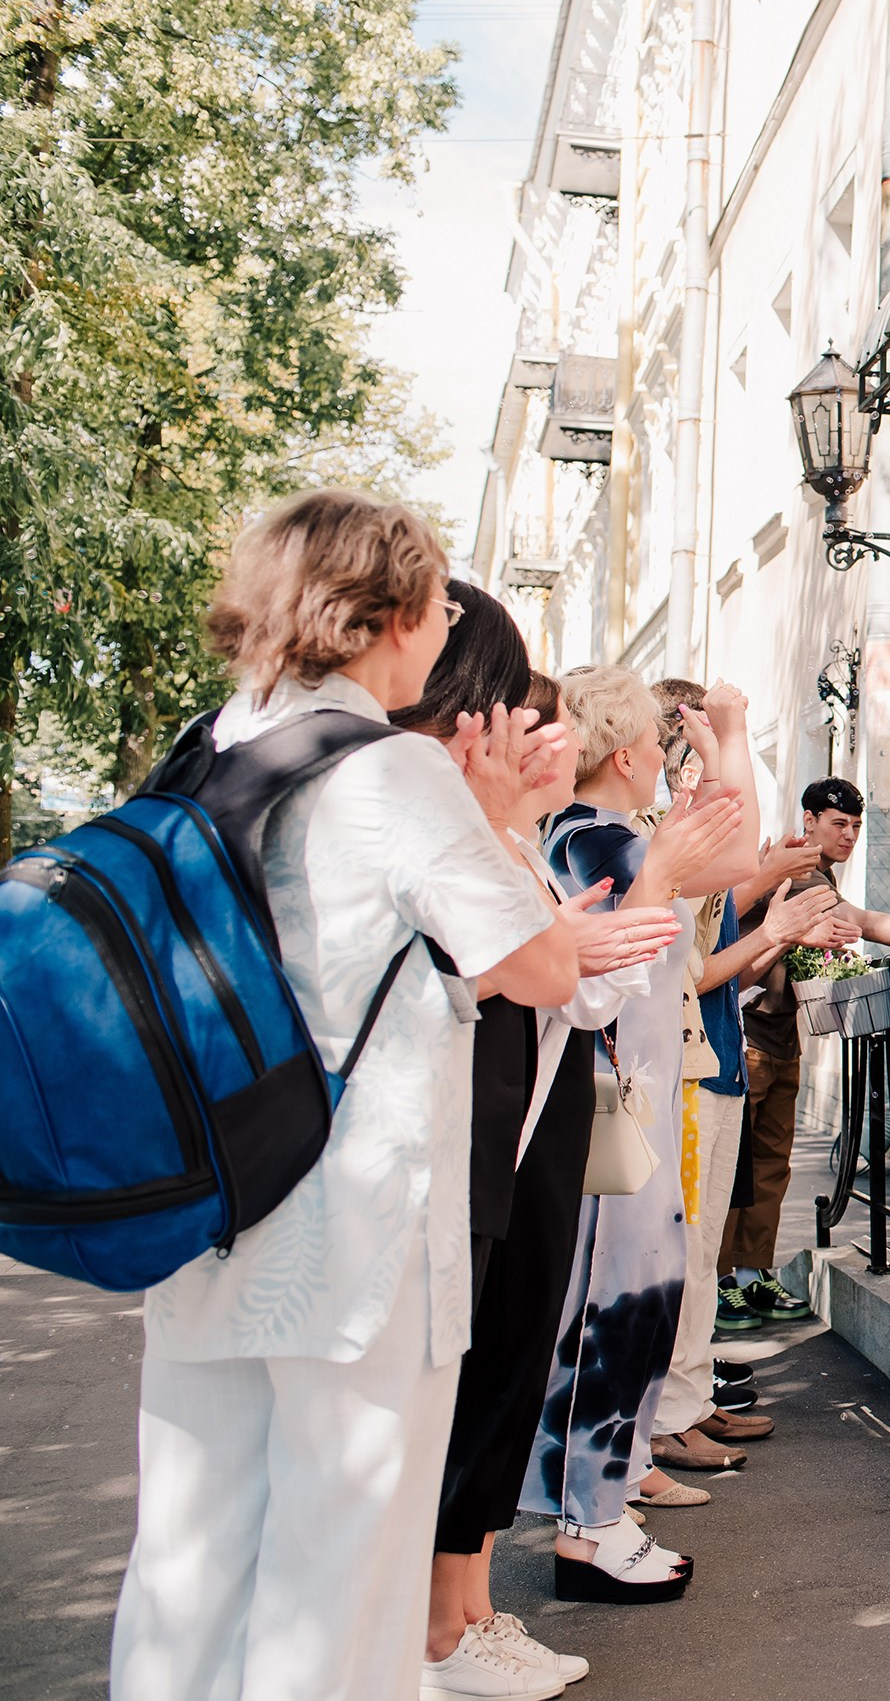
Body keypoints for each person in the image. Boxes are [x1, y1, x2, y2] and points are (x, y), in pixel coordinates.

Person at [112, 490, 582, 1701]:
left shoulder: (201, 747)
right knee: (341, 1565)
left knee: (189, 1556)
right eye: (432, 603)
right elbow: (537, 962)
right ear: (388, 615)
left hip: (209, 1203)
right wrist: (497, 814)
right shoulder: (389, 767)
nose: (441, 633)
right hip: (354, 1223)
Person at [393, 616, 686, 1697]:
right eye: (536, 716)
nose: (550, 737)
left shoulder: (513, 848)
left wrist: (577, 946)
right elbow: (550, 980)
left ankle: (465, 1610)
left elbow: (575, 984)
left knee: (503, 1366)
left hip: (531, 1129)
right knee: (476, 1379)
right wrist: (619, 914)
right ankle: (441, 1626)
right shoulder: (475, 842)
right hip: (483, 1141)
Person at [522, 665, 753, 1602]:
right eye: (658, 743)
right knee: (612, 1308)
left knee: (633, 1303)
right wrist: (728, 734)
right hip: (614, 1107)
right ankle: (589, 1521)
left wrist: (721, 743)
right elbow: (732, 856)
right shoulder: (598, 839)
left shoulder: (603, 835)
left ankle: (599, 1511)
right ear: (625, 754)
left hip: (635, 1099)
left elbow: (728, 858)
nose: (666, 756)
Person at [645, 680, 829, 1471]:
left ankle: (687, 1398)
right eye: (700, 764)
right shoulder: (639, 838)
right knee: (680, 1255)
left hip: (712, 1057)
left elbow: (716, 894)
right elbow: (695, 967)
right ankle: (668, 1411)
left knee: (697, 1250)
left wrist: (768, 880)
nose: (708, 784)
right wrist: (777, 926)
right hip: (687, 1063)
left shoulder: (667, 838)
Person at [715, 776, 890, 1335]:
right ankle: (718, 1283)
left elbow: (862, 921)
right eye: (839, 823)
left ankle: (754, 1273)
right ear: (810, 819)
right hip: (742, 1034)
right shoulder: (787, 867)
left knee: (771, 1163)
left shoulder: (817, 873)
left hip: (780, 1034)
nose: (850, 834)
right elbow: (847, 925)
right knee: (733, 1166)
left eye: (857, 826)